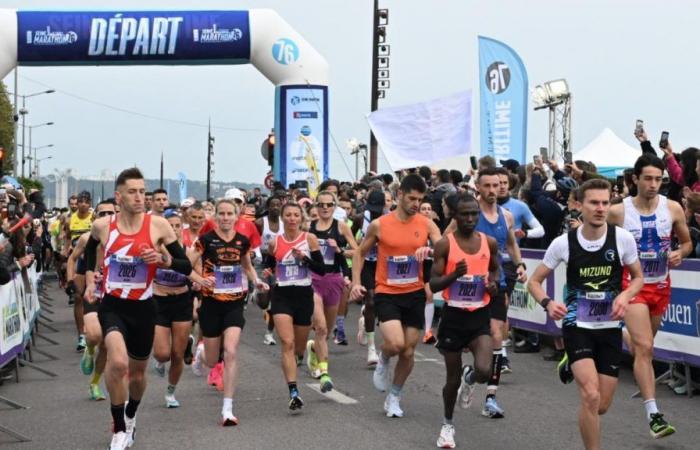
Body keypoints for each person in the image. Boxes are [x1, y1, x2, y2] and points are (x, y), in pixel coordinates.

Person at [528, 178, 643, 450]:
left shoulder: (622, 239)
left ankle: (568, 363)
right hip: (576, 325)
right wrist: (547, 302)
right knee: (590, 396)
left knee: (602, 405)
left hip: (609, 328)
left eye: (605, 202)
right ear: (580, 205)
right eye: (594, 202)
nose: (601, 208)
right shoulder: (563, 243)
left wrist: (626, 295)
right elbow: (534, 281)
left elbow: (638, 278)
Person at [83, 168, 192, 450]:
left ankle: (131, 415)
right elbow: (87, 254)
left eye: (143, 191)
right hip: (113, 306)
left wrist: (162, 259)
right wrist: (90, 279)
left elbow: (186, 266)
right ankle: (118, 428)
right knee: (118, 363)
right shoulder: (102, 226)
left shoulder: (159, 226)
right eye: (133, 191)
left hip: (144, 308)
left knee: (139, 375)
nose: (140, 197)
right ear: (119, 196)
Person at [607, 154, 692, 438]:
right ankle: (653, 414)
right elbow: (593, 236)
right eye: (648, 178)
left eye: (659, 179)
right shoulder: (618, 212)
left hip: (660, 286)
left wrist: (682, 252)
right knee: (645, 349)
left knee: (641, 346)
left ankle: (617, 329)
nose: (654, 184)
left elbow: (688, 241)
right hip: (631, 287)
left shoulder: (673, 208)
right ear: (636, 179)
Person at [351, 174, 442, 418]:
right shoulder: (380, 224)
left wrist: (431, 250)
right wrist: (357, 283)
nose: (415, 203)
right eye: (412, 198)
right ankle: (383, 357)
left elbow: (445, 250)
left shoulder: (426, 223)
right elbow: (360, 253)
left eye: (420, 199)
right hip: (387, 292)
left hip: (414, 293)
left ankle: (394, 396)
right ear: (400, 194)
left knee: (409, 351)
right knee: (395, 344)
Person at [430, 192, 500, 449]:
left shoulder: (488, 242)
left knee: (484, 370)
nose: (470, 218)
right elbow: (434, 283)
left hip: (479, 315)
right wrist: (453, 276)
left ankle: (471, 379)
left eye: (474, 214)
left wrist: (493, 284)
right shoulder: (445, 245)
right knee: (452, 379)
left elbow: (495, 269)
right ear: (455, 216)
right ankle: (447, 425)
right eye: (465, 214)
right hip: (453, 316)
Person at [188, 199, 268, 425]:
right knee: (213, 360)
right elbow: (186, 264)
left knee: (231, 351)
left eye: (229, 214)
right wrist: (200, 280)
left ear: (236, 216)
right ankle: (201, 354)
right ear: (215, 217)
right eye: (221, 214)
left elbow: (246, 265)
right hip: (211, 303)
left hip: (234, 302)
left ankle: (227, 409)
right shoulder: (204, 240)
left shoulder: (242, 241)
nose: (225, 217)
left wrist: (256, 281)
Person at [473, 167, 527, 418]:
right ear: (479, 187)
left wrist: (520, 265)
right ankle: (471, 375)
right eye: (488, 186)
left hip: (498, 282)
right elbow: (446, 242)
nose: (494, 190)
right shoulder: (469, 214)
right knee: (471, 343)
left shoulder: (506, 216)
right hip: (470, 286)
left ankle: (491, 398)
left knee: (497, 336)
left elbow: (511, 244)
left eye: (497, 185)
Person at [265, 202, 326, 412]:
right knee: (287, 343)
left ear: (301, 218)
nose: (292, 219)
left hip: (303, 295)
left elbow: (322, 270)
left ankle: (308, 350)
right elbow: (268, 265)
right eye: (288, 215)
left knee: (297, 348)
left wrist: (305, 259)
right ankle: (293, 392)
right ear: (282, 218)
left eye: (296, 215)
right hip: (282, 295)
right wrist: (267, 273)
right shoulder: (275, 242)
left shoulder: (309, 239)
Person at [306, 190, 358, 392]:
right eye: (321, 204)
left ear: (334, 207)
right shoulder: (308, 228)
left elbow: (357, 251)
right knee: (320, 327)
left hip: (334, 280)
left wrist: (340, 250)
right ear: (316, 206)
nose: (325, 208)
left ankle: (313, 349)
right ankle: (323, 372)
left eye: (329, 205)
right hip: (313, 279)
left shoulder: (341, 227)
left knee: (326, 330)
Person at [69, 200, 116, 401]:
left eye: (110, 213)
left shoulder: (123, 238)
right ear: (95, 217)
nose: (106, 216)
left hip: (113, 294)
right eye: (102, 213)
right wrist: (71, 280)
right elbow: (72, 258)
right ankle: (89, 348)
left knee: (106, 345)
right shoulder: (87, 238)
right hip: (93, 291)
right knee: (95, 335)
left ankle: (95, 383)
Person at [151, 210, 195, 409]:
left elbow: (197, 273)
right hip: (159, 301)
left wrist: (201, 284)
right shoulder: (154, 250)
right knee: (162, 353)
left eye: (178, 226)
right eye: (171, 225)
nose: (175, 230)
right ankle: (159, 362)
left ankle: (170, 392)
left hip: (182, 301)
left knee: (177, 354)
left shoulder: (189, 251)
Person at [351, 190, 387, 366]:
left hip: (383, 264)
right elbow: (349, 237)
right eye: (372, 209)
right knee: (371, 299)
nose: (375, 213)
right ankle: (372, 349)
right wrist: (355, 249)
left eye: (377, 210)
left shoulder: (389, 219)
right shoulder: (360, 219)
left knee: (380, 303)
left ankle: (366, 317)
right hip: (367, 263)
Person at [66, 190, 93, 351]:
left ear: (89, 204)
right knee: (78, 297)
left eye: (85, 202)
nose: (83, 204)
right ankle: (81, 335)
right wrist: (66, 249)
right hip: (79, 259)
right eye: (80, 202)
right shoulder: (70, 218)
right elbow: (68, 236)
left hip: (94, 259)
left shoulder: (94, 218)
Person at [255, 195, 284, 346]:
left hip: (277, 264)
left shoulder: (284, 223)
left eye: (278, 205)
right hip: (262, 263)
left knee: (274, 299)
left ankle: (269, 333)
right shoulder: (261, 223)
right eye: (272, 205)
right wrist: (259, 252)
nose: (275, 207)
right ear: (268, 207)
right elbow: (252, 241)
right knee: (264, 301)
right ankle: (257, 296)